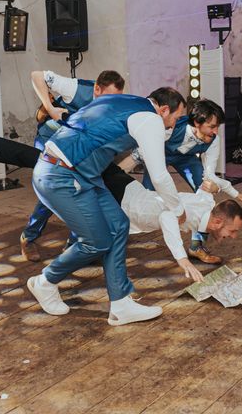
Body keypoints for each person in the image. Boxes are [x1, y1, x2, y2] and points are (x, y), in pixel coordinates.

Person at [28, 87, 188, 326]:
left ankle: (121, 304)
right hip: (60, 175)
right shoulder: (151, 118)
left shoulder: (125, 101)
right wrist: (177, 209)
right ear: (164, 110)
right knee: (96, 241)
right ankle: (44, 282)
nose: (173, 126)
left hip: (82, 175)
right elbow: (160, 176)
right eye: (175, 119)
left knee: (118, 225)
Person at [0, 70, 125, 262]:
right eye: (109, 96)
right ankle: (29, 238)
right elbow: (37, 75)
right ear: (96, 89)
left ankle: (74, 245)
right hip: (50, 136)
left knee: (78, 189)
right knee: (59, 188)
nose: (112, 102)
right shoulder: (75, 88)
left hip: (73, 144)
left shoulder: (113, 105)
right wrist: (50, 108)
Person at [141, 99, 242, 264]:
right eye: (212, 126)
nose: (215, 131)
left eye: (217, 126)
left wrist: (236, 194)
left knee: (207, 195)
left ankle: (196, 247)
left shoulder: (214, 140)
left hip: (186, 160)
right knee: (146, 197)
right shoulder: (172, 126)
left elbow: (209, 176)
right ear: (197, 123)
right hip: (159, 156)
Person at [121, 178, 242, 272]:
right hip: (124, 202)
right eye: (232, 231)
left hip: (130, 188)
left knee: (205, 225)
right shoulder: (189, 214)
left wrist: (215, 187)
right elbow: (166, 217)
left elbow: (205, 186)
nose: (234, 236)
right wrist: (182, 258)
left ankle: (195, 248)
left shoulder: (208, 204)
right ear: (218, 222)